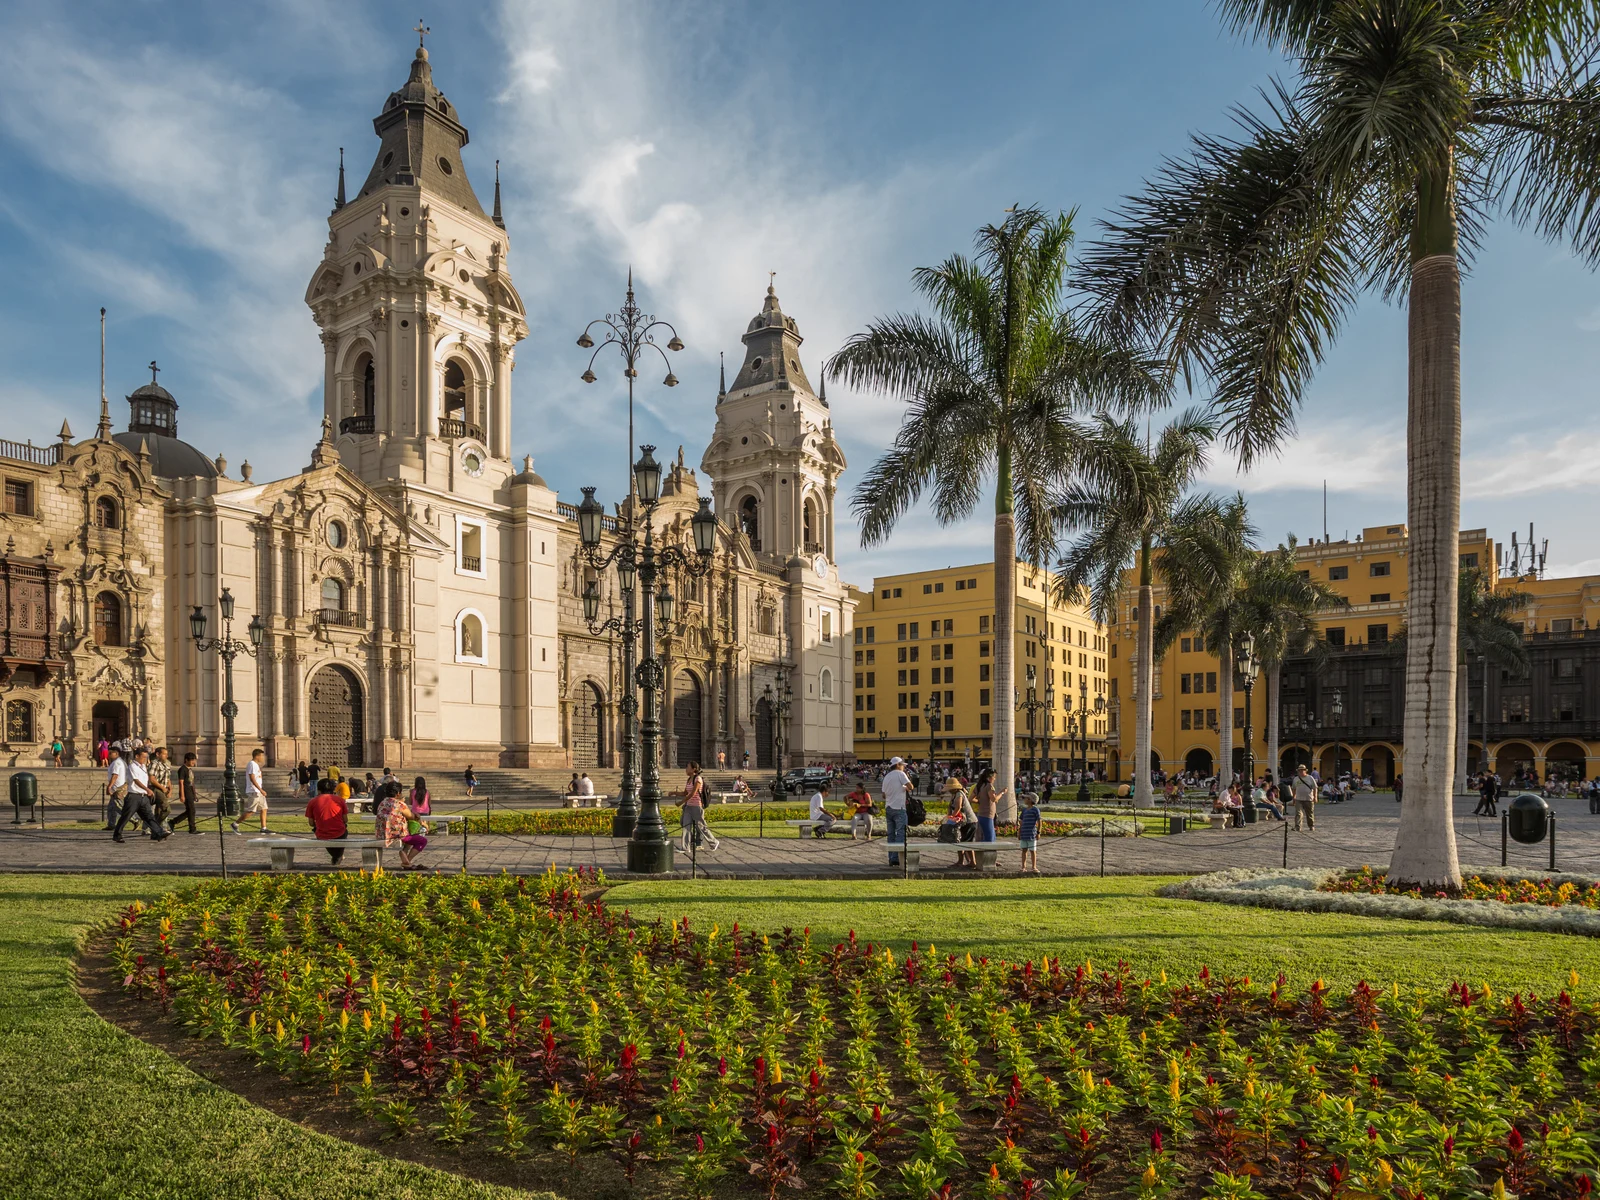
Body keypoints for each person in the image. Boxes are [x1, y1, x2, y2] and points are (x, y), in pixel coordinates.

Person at [112, 748, 169, 843]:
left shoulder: (143, 767)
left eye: (146, 757)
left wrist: (146, 791)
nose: (145, 759)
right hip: (133, 796)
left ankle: (159, 832)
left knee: (149, 816)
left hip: (143, 796)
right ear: (137, 756)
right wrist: (147, 789)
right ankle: (117, 834)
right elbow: (136, 780)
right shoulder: (132, 766)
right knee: (126, 816)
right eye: (143, 757)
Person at [376, 782, 426, 869]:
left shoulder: (382, 803)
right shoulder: (399, 804)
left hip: (382, 834)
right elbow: (411, 816)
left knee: (411, 835)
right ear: (398, 793)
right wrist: (418, 817)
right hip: (397, 835)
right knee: (422, 840)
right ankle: (407, 861)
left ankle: (405, 853)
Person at [305, 778, 349, 865]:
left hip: (322, 834)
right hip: (339, 833)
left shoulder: (312, 802)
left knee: (323, 833)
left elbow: (311, 823)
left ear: (319, 790)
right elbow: (345, 820)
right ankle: (338, 856)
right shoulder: (340, 800)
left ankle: (337, 856)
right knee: (343, 830)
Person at [678, 762, 718, 852]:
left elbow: (692, 793)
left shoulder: (698, 779)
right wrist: (673, 793)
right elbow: (685, 793)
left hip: (696, 806)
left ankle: (714, 842)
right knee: (685, 826)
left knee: (701, 827)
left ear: (693, 769)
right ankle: (685, 847)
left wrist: (681, 802)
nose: (686, 769)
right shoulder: (689, 779)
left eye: (687, 767)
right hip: (688, 806)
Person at [881, 756, 911, 865]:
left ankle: (891, 857)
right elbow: (911, 786)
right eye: (902, 765)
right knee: (900, 833)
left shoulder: (886, 777)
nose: (903, 767)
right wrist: (905, 784)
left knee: (891, 834)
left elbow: (884, 795)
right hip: (899, 808)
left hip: (889, 808)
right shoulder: (900, 774)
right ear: (898, 765)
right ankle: (897, 857)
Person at [233, 748, 269, 834]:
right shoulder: (252, 764)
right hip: (254, 791)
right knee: (251, 811)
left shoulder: (255, 765)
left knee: (264, 808)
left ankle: (263, 828)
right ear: (257, 756)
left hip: (258, 791)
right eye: (262, 756)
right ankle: (235, 824)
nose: (262, 758)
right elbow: (252, 778)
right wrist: (260, 789)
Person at [166, 751, 202, 834]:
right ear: (186, 760)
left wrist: (194, 794)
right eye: (192, 760)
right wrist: (182, 795)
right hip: (186, 792)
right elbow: (181, 783)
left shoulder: (190, 770)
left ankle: (173, 822)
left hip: (190, 792)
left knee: (190, 811)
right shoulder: (182, 769)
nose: (194, 762)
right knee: (191, 810)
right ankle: (192, 828)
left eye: (194, 760)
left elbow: (192, 782)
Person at [972, 768, 1006, 845]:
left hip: (982, 814)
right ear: (989, 777)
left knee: (989, 836)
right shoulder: (989, 786)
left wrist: (980, 801)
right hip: (987, 815)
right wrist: (1002, 793)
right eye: (994, 777)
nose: (994, 779)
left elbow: (971, 799)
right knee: (990, 839)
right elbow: (994, 799)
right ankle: (979, 850)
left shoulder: (979, 786)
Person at [1017, 792, 1042, 874]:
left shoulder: (1035, 810)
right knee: (1024, 850)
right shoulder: (1024, 810)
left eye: (1026, 798)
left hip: (1031, 833)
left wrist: (1038, 832)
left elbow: (1039, 821)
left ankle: (1034, 866)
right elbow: (1021, 822)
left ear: (1030, 800)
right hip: (1024, 833)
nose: (1024, 800)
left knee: (1032, 851)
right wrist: (1019, 831)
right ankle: (1023, 866)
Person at [104, 747, 127, 830]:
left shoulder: (117, 763)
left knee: (118, 806)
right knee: (111, 807)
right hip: (117, 786)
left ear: (116, 754)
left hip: (118, 787)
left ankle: (134, 819)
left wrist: (109, 786)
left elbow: (115, 775)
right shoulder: (119, 762)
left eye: (110, 753)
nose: (109, 755)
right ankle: (111, 824)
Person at [148, 746, 172, 826]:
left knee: (159, 811)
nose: (166, 756)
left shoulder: (165, 765)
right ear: (158, 754)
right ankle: (155, 826)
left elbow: (168, 779)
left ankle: (157, 830)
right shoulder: (154, 764)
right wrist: (163, 788)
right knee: (166, 809)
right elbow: (152, 779)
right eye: (164, 754)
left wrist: (169, 789)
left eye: (167, 754)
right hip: (156, 788)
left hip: (163, 789)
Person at [1291, 765, 1317, 831]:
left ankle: (1311, 825)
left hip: (1308, 798)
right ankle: (1298, 826)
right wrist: (1293, 797)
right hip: (1298, 799)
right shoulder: (1296, 779)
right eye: (1300, 770)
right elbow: (1294, 788)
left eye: (1303, 770)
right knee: (1298, 813)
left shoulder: (1310, 778)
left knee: (1309, 813)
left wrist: (1315, 797)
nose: (1301, 771)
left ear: (1305, 771)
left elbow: (1315, 788)